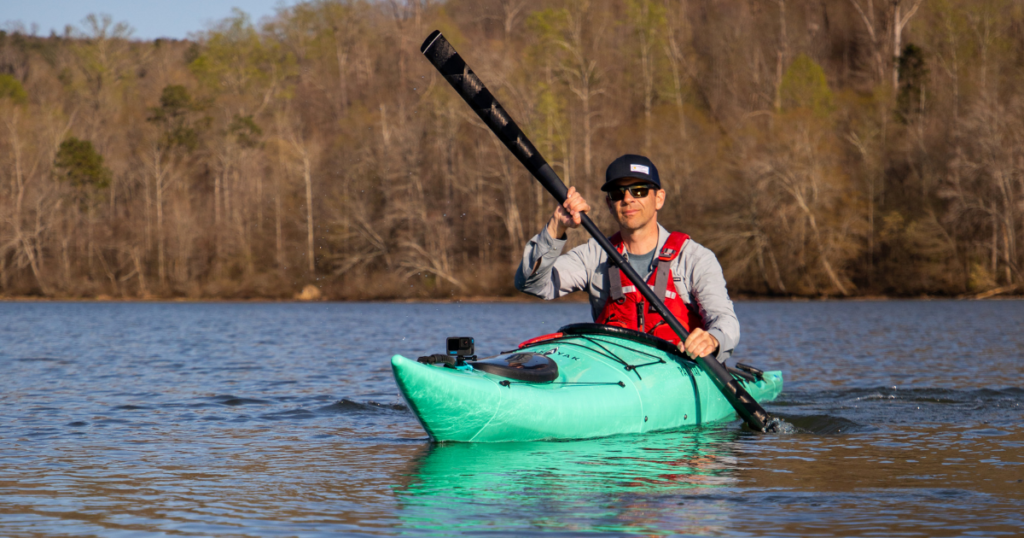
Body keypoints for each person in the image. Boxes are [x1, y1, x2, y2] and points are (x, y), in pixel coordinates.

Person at [514, 154, 740, 362]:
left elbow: (725, 320)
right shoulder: (594, 255)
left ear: (659, 198)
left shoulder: (695, 258)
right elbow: (532, 284)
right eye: (617, 193)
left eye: (639, 190)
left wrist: (713, 340)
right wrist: (556, 228)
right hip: (616, 374)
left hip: (679, 370)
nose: (628, 199)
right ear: (609, 204)